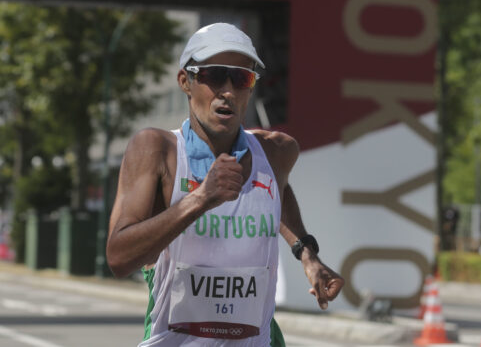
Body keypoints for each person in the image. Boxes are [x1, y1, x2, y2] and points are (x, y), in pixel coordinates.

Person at [106, 22, 344, 347]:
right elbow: (118, 258)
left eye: (242, 78)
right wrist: (200, 198)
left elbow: (278, 192)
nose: (228, 91)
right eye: (214, 76)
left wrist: (306, 254)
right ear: (184, 82)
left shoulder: (276, 152)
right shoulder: (157, 151)